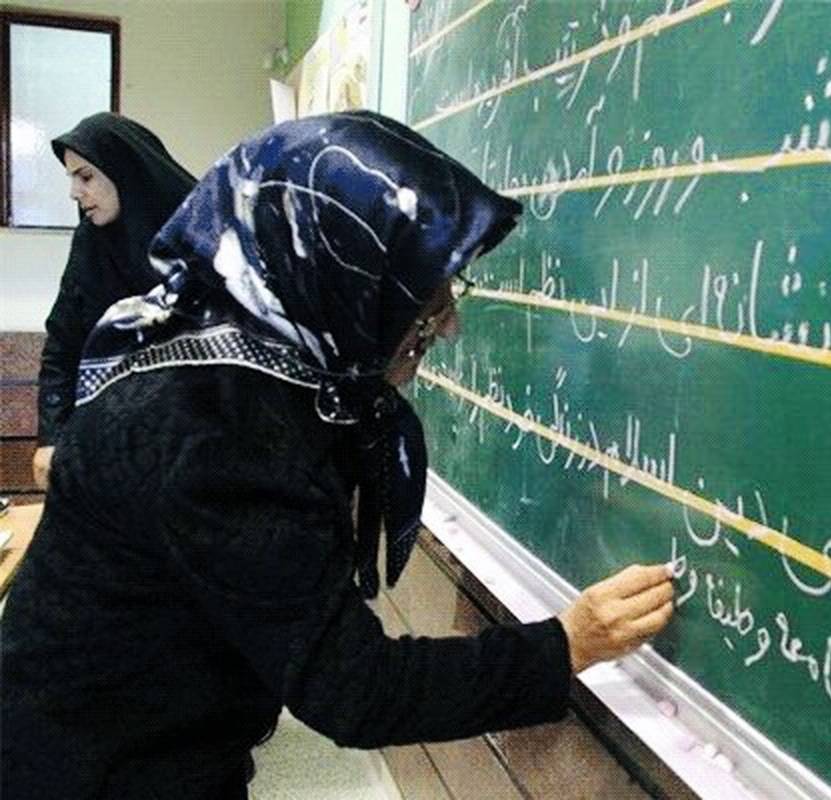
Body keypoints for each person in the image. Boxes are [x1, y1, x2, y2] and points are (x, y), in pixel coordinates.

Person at [0, 111, 674, 799]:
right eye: (422, 289)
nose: (447, 321)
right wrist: (569, 645)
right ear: (337, 273)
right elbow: (356, 689)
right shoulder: (219, 435)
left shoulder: (241, 367)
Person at [31, 112, 196, 490]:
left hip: (195, 450)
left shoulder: (200, 237)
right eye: (72, 178)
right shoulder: (90, 245)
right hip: (111, 446)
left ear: (124, 170)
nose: (75, 192)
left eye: (86, 176)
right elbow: (62, 347)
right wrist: (51, 438)